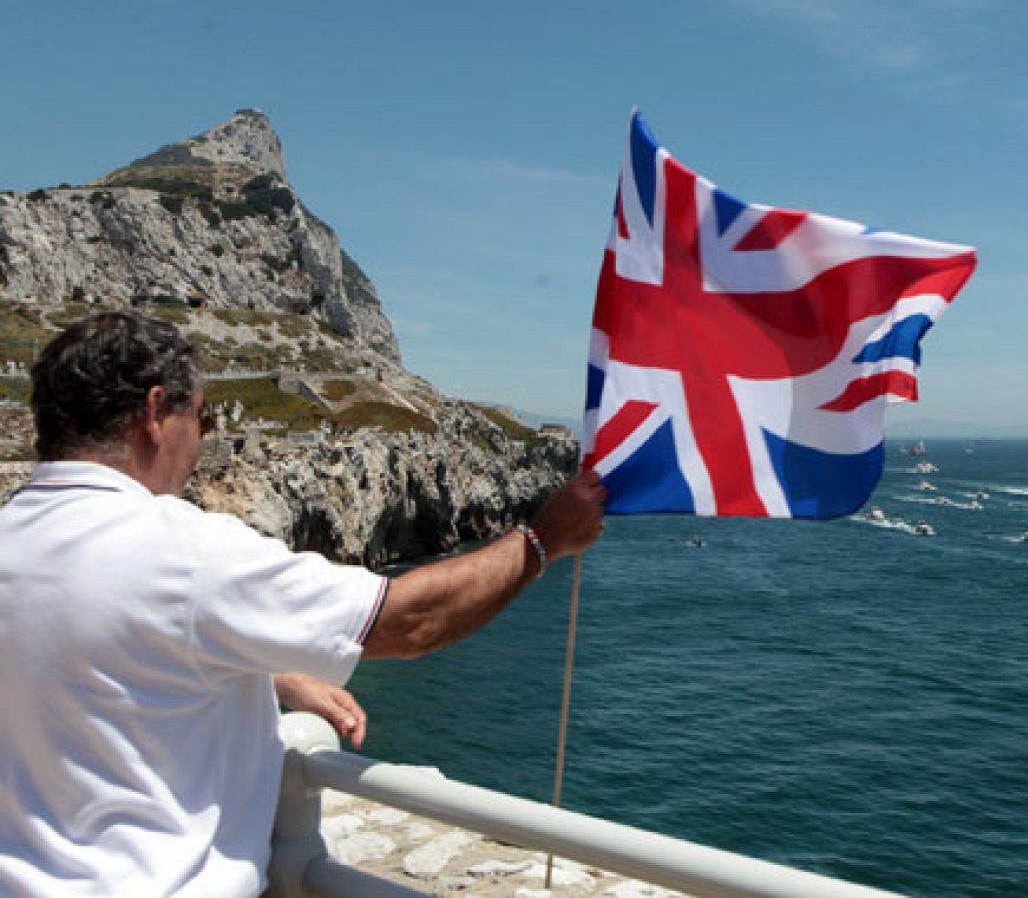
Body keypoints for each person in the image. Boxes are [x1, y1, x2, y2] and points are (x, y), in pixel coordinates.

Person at [0, 312, 606, 897]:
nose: (203, 444)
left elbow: (91, 645)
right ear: (157, 412)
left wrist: (273, 667)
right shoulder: (182, 548)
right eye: (203, 420)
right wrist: (541, 541)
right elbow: (410, 620)